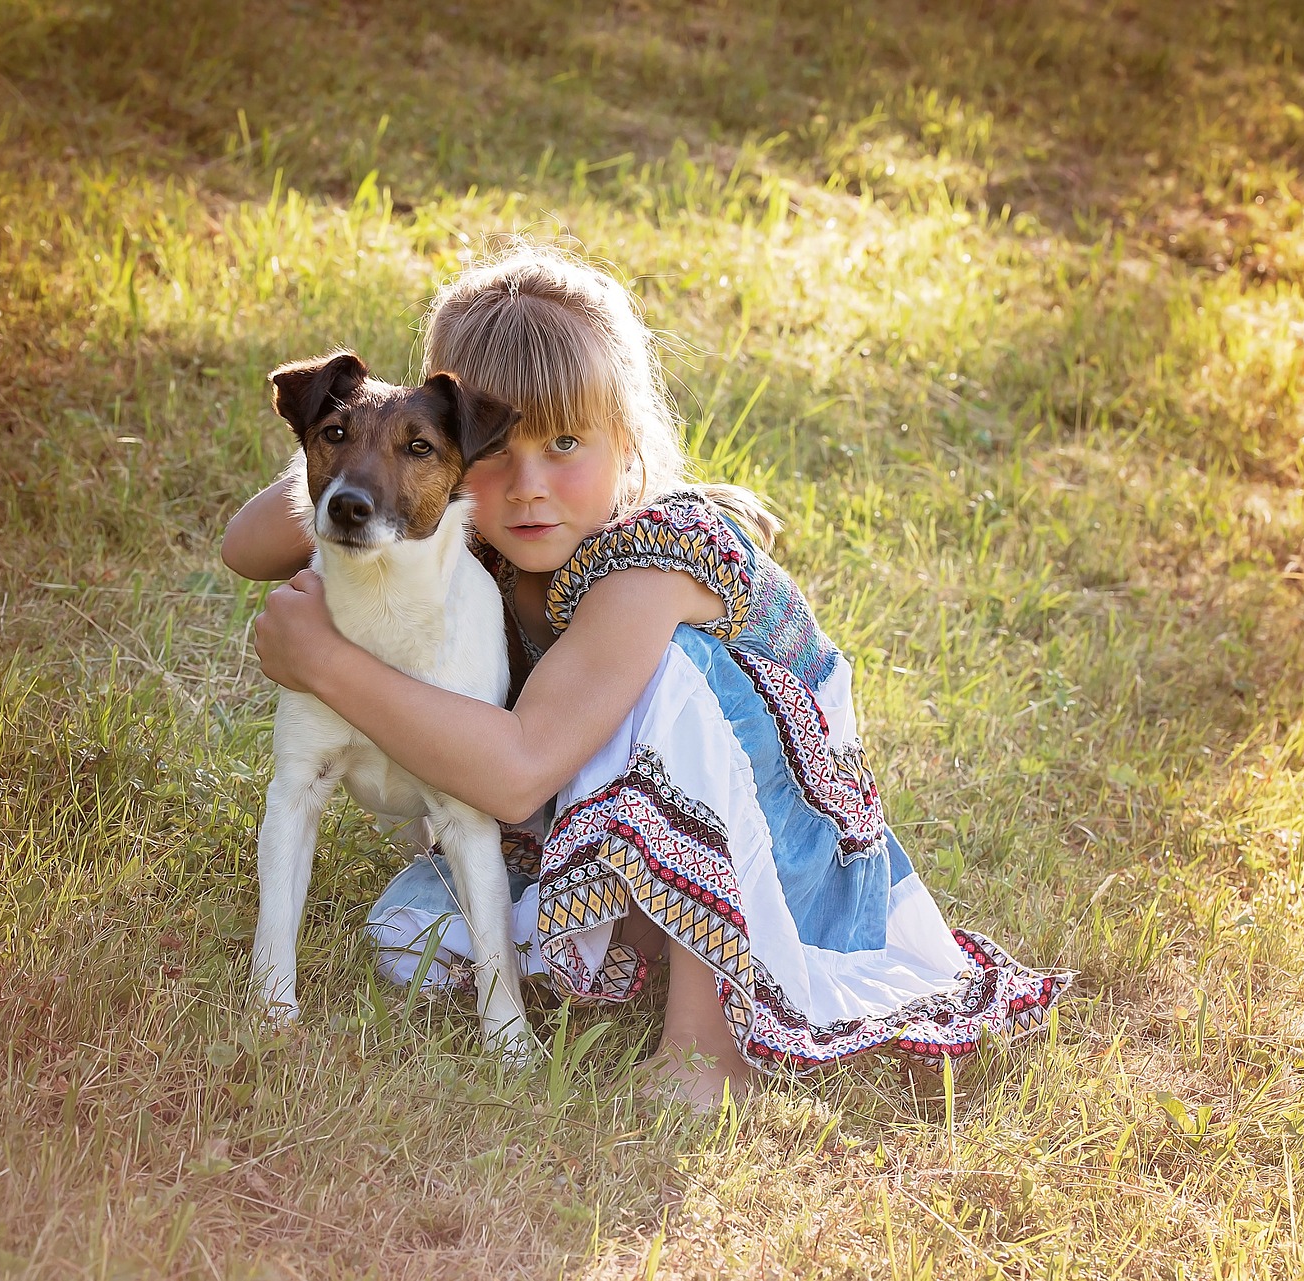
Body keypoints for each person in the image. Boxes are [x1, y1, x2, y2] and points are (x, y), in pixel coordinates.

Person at [222, 244, 1069, 1109]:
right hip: (601, 815)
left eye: (565, 442)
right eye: (497, 449)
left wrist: (324, 662)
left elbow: (517, 773)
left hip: (788, 854)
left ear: (627, 440)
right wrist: (371, 433)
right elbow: (244, 546)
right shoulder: (463, 518)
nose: (528, 487)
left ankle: (706, 1051)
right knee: (415, 938)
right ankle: (650, 940)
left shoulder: (651, 562)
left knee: (672, 675)